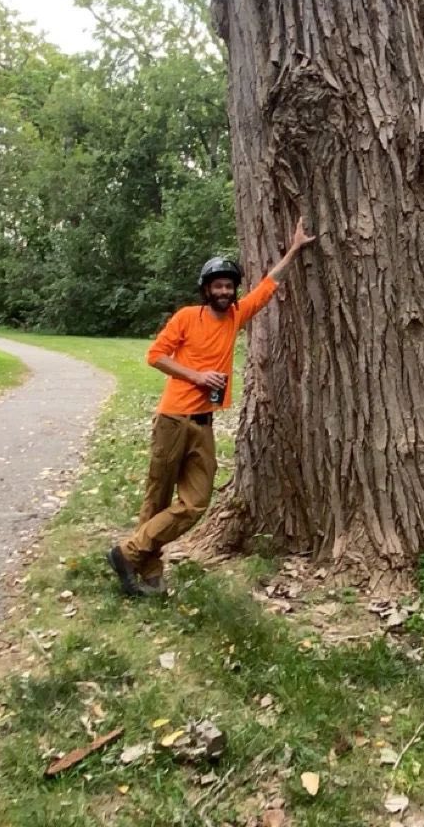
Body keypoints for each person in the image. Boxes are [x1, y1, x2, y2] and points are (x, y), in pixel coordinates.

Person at [107, 217, 315, 596]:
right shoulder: (188, 316)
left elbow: (270, 286)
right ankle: (149, 574)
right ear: (206, 289)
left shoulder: (236, 317)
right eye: (217, 285)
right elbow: (156, 356)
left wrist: (296, 249)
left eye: (229, 285)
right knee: (158, 497)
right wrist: (197, 376)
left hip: (203, 425)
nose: (224, 290)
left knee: (196, 501)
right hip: (173, 418)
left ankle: (127, 552)